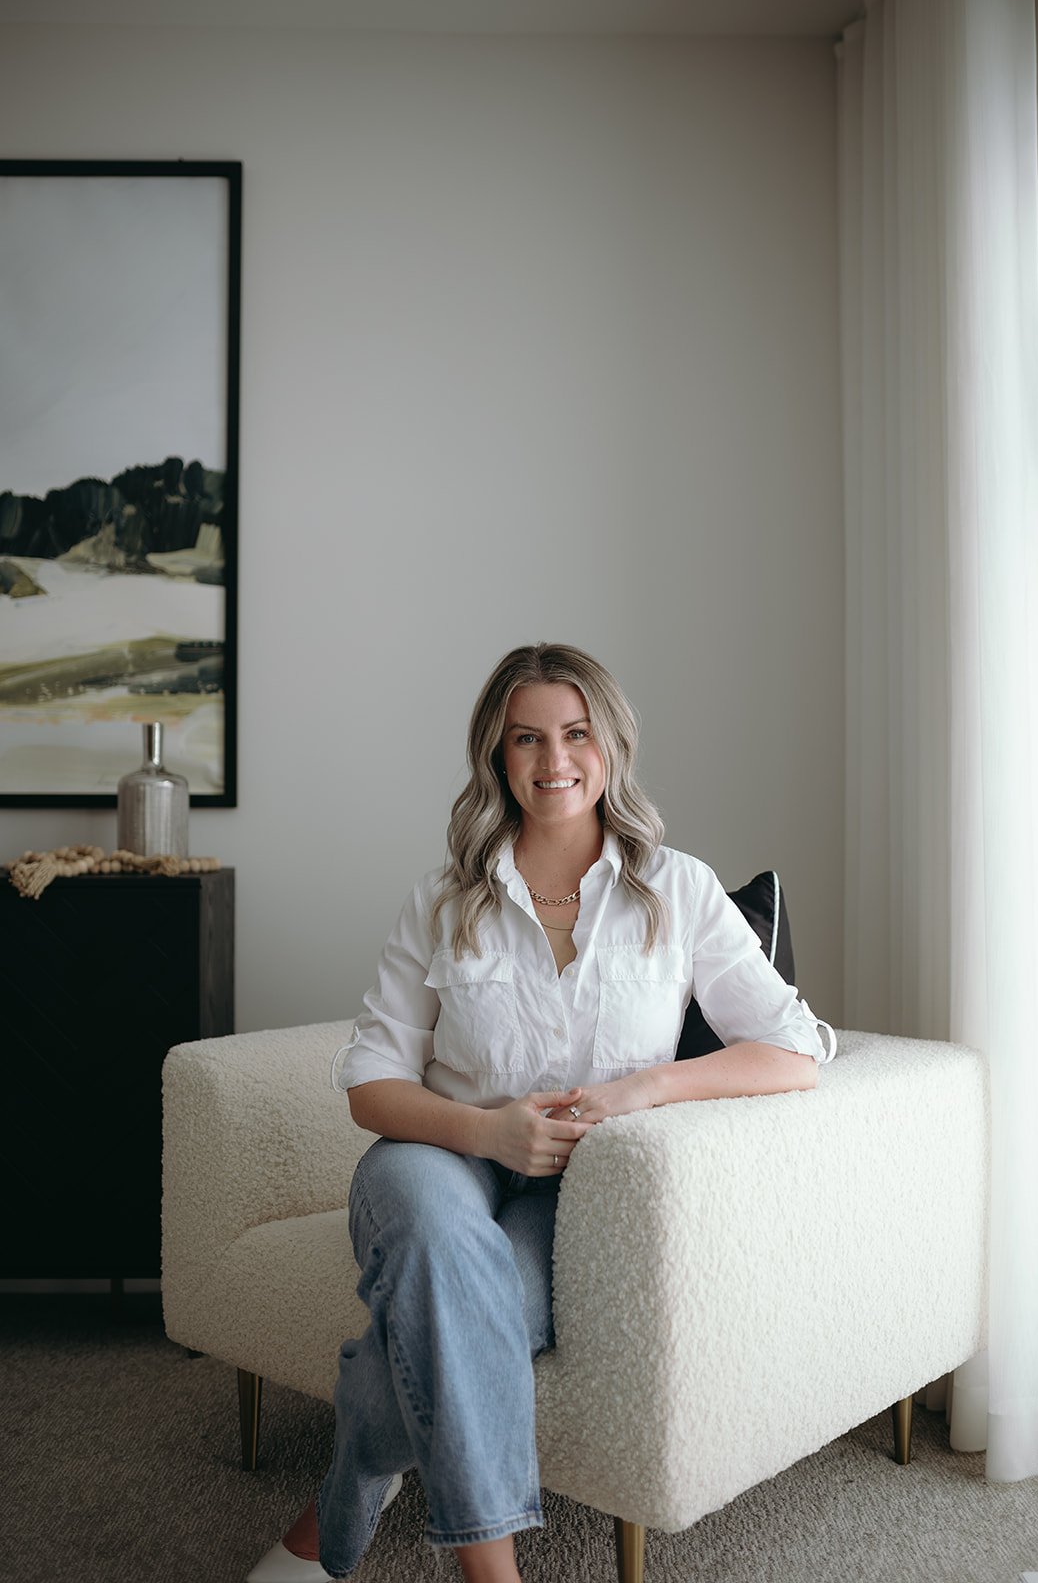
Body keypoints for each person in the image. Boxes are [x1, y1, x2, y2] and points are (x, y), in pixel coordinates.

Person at [248, 642, 836, 1583]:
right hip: (435, 1155)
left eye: (574, 734)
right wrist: (486, 1130)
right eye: (525, 738)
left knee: (454, 1311)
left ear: (610, 747)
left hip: (581, 1189)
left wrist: (641, 1089)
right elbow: (371, 1083)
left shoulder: (675, 890)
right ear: (496, 755)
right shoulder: (443, 901)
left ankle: (340, 1504)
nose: (551, 759)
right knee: (439, 1248)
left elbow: (794, 1050)